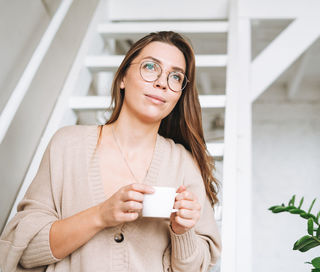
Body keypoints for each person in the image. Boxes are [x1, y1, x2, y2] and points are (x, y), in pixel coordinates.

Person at [0, 31, 221, 271]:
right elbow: (26, 250)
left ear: (179, 94)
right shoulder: (67, 145)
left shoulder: (183, 164)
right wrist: (101, 215)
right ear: (122, 77)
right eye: (150, 67)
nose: (161, 82)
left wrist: (183, 232)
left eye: (176, 77)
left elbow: (197, 267)